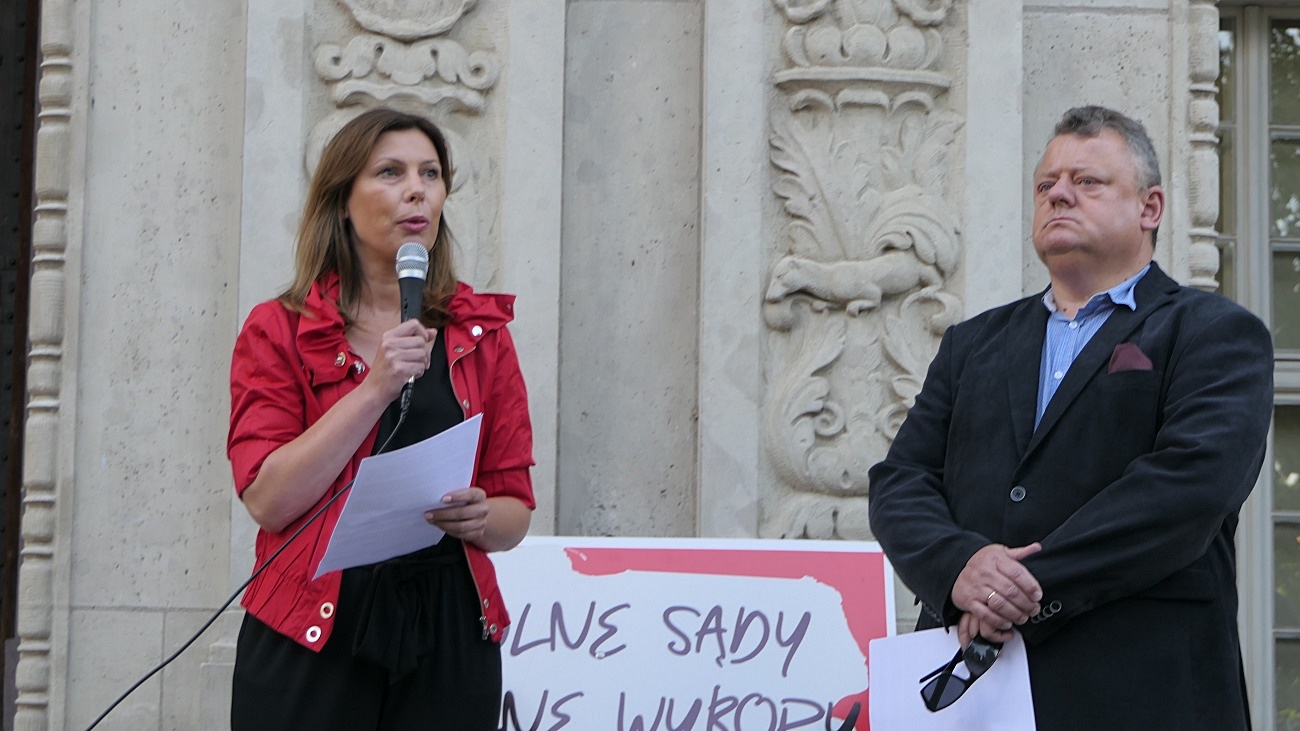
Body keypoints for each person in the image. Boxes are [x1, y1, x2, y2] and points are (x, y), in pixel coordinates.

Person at [867, 105, 1273, 730]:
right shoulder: (973, 344)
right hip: (974, 699)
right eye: (1046, 185)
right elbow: (901, 481)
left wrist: (1020, 586)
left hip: (1142, 694)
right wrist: (958, 567)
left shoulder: (1213, 331)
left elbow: (1188, 487)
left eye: (1087, 181)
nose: (1058, 194)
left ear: (1150, 208)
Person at [226, 107, 535, 729]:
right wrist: (376, 389)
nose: (416, 190)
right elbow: (268, 500)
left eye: (430, 173)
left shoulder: (482, 335)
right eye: (391, 172)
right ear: (342, 200)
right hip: (314, 620)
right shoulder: (278, 330)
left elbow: (514, 512)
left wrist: (480, 516)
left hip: (447, 622)